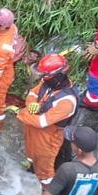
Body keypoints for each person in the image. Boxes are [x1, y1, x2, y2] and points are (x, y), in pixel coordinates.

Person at [17, 54, 79, 184]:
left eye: (46, 76)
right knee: (32, 152)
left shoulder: (67, 101)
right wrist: (32, 104)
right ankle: (31, 166)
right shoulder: (47, 83)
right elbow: (32, 93)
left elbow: (42, 122)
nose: (43, 79)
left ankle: (48, 193)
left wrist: (21, 112)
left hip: (49, 137)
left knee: (45, 168)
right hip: (34, 129)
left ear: (58, 76)